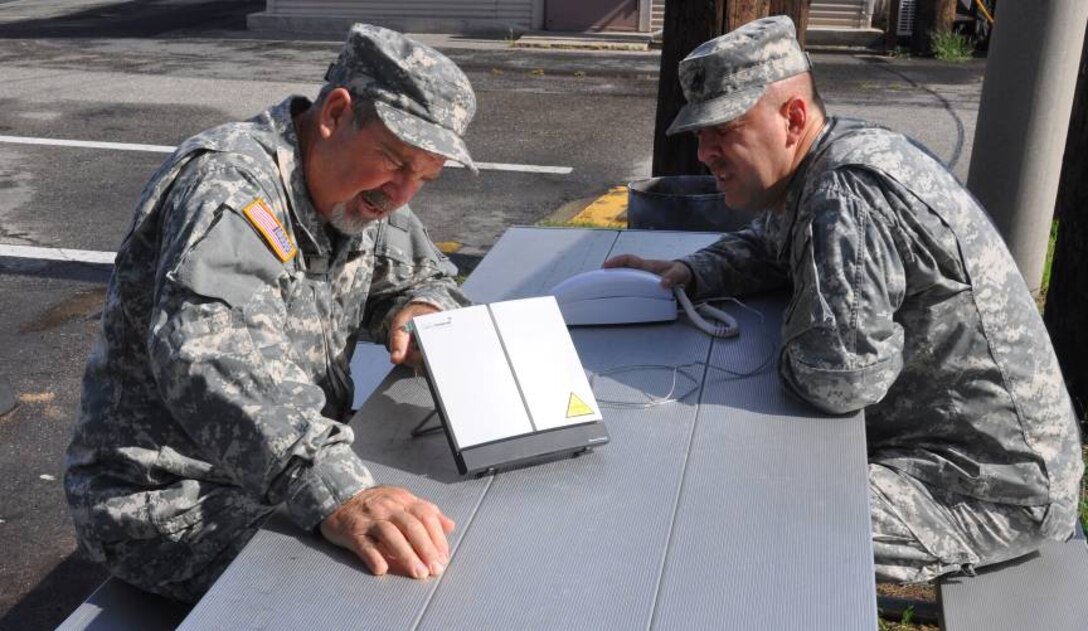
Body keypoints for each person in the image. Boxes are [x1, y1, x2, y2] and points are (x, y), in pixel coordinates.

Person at [607, 16, 1084, 583]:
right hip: (944, 450)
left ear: (793, 118)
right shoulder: (830, 160)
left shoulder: (846, 193)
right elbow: (773, 243)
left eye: (724, 129)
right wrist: (694, 271)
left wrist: (775, 347)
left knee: (737, 514)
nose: (704, 152)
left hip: (981, 486)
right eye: (700, 133)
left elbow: (839, 379)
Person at [64, 24, 475, 601]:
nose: (402, 194)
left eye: (425, 179)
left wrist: (417, 308)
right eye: (395, 161)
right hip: (173, 501)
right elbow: (210, 356)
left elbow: (421, 275)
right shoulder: (232, 187)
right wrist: (341, 492)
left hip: (276, 473)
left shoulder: (360, 187)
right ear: (335, 114)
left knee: (448, 542)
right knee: (388, 594)